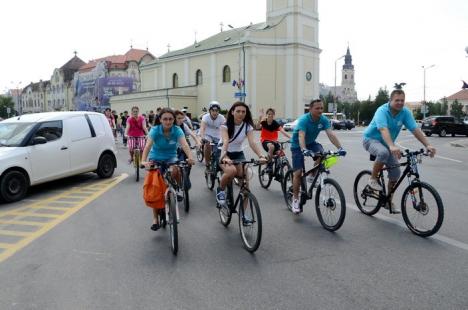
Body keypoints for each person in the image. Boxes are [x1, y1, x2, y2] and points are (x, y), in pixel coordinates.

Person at [363, 89, 436, 213]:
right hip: (371, 140)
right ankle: (373, 179)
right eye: (397, 100)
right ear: (390, 100)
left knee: (396, 173)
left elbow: (415, 130)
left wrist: (428, 145)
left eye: (402, 100)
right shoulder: (382, 111)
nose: (400, 103)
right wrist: (391, 146)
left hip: (388, 144)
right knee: (383, 153)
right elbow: (383, 129)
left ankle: (388, 201)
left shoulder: (405, 113)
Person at [142, 108, 195, 231]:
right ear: (160, 120)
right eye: (165, 119)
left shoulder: (177, 130)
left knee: (176, 169)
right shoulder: (155, 130)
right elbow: (148, 146)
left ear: (174, 120)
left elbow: (185, 145)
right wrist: (144, 161)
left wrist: (191, 157)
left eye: (171, 119)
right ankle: (155, 219)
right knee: (156, 190)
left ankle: (175, 189)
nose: (168, 121)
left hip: (171, 157)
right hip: (155, 158)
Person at [290, 99, 346, 214]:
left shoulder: (324, 120)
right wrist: (304, 150)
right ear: (310, 109)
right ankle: (295, 200)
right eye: (317, 108)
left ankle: (312, 175)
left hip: (311, 143)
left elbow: (330, 134)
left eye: (321, 108)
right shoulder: (304, 120)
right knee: (298, 173)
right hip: (297, 145)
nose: (320, 110)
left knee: (322, 154)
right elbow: (301, 136)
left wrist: (340, 148)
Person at [216, 101, 268, 205]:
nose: (241, 114)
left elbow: (252, 143)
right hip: (224, 152)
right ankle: (220, 190)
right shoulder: (225, 126)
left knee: (245, 184)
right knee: (231, 171)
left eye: (243, 112)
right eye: (238, 111)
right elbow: (225, 142)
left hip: (238, 153)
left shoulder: (247, 126)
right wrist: (224, 157)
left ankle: (245, 216)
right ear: (232, 112)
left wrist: (261, 155)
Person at [256, 108, 291, 172]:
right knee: (271, 147)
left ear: (274, 115)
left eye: (272, 114)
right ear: (267, 115)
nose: (270, 115)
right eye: (269, 114)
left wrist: (291, 138)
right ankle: (269, 165)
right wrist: (259, 118)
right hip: (265, 141)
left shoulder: (275, 123)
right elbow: (257, 127)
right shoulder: (264, 122)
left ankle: (286, 171)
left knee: (282, 154)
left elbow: (283, 131)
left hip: (274, 141)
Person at [175, 110, 201, 189]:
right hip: (174, 150)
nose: (181, 120)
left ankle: (186, 176)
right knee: (177, 168)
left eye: (182, 118)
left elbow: (191, 133)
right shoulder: (171, 126)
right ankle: (177, 184)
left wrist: (197, 142)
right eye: (178, 118)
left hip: (183, 148)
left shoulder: (183, 125)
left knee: (189, 163)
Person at [199, 101, 225, 170]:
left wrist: (225, 138)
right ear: (210, 111)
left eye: (217, 111)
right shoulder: (205, 117)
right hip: (208, 135)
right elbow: (202, 128)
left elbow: (225, 129)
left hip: (218, 136)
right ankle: (207, 163)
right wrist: (202, 137)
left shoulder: (222, 118)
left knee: (220, 150)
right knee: (207, 144)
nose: (215, 112)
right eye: (213, 110)